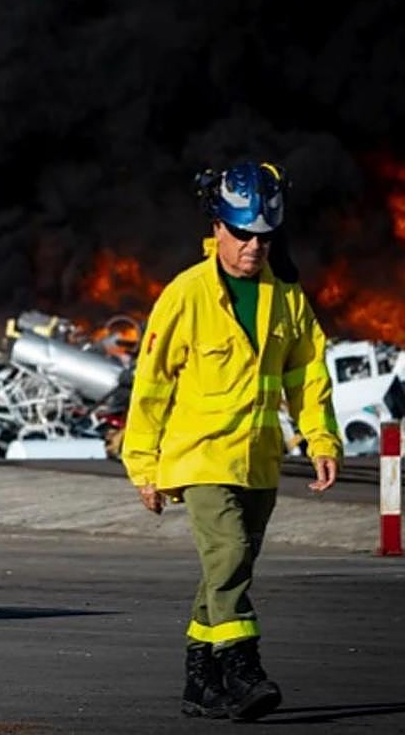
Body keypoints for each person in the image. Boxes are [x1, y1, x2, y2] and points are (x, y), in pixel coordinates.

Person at [120, 160, 342, 722]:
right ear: (217, 226)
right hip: (200, 459)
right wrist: (142, 466)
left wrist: (321, 440)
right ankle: (244, 671)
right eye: (241, 234)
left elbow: (308, 375)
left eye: (264, 237)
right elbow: (151, 386)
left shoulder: (286, 299)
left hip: (259, 462)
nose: (253, 247)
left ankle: (202, 679)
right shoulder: (186, 295)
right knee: (231, 555)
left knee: (226, 570)